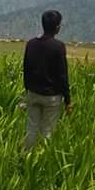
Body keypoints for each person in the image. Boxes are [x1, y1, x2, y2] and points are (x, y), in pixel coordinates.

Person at [23, 10, 72, 149]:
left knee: (31, 129)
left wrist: (28, 89)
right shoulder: (58, 47)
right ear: (57, 27)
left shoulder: (31, 44)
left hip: (33, 93)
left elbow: (26, 69)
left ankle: (26, 157)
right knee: (47, 131)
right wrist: (68, 100)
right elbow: (62, 75)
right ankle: (43, 161)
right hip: (52, 97)